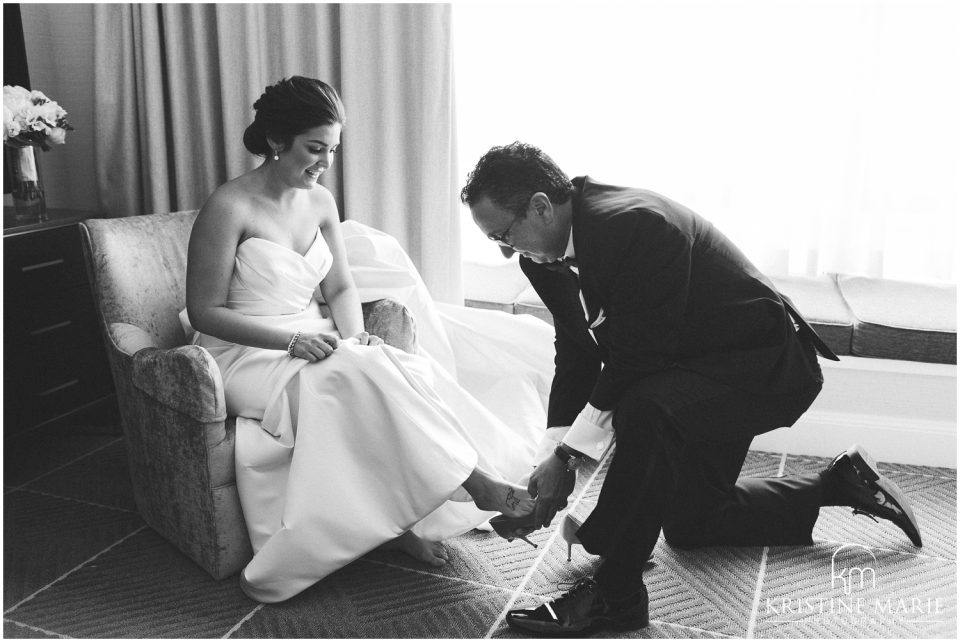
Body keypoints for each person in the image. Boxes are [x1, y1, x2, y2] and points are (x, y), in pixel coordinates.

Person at [461, 142, 923, 636]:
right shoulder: (542, 256)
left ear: (540, 207)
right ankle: (841, 483)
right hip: (695, 369)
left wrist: (569, 459)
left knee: (645, 411)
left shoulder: (633, 226)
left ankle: (616, 596)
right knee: (691, 522)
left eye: (504, 235)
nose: (505, 251)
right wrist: (551, 457)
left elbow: (637, 359)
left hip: (763, 370)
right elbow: (577, 353)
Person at [184, 78, 539, 603]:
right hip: (244, 352)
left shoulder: (320, 201)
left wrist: (356, 338)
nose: (325, 163)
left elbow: (341, 287)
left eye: (332, 150)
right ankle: (473, 481)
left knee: (387, 365)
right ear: (277, 139)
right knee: (348, 379)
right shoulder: (229, 206)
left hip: (315, 334)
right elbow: (205, 312)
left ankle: (399, 522)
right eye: (314, 149)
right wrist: (290, 341)